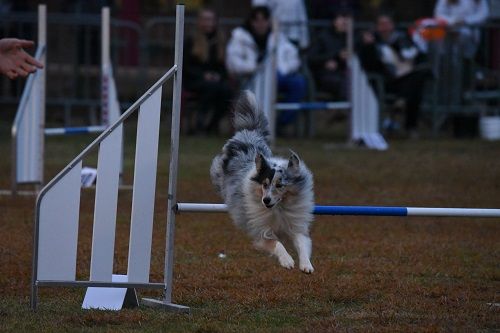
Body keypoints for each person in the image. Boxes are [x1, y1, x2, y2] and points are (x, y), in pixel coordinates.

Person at [226, 6, 307, 130]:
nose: (261, 24)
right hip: (249, 79)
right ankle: (258, 127)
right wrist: (253, 68)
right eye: (257, 20)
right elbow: (232, 63)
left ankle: (280, 124)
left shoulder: (278, 36)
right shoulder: (239, 37)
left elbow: (294, 58)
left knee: (298, 83)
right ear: (251, 21)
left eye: (264, 20)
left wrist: (283, 70)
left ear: (269, 21)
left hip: (277, 77)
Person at [358, 13, 430, 137]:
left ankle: (402, 102)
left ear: (393, 26)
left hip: (406, 78)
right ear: (376, 27)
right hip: (385, 80)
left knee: (420, 76)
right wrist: (368, 47)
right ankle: (409, 124)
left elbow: (420, 57)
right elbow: (368, 65)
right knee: (415, 92)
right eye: (381, 24)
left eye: (387, 24)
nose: (385, 27)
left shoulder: (403, 39)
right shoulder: (371, 43)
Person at [183, 8, 233, 135]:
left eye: (211, 20)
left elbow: (223, 67)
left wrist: (217, 76)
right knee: (212, 87)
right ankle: (200, 122)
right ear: (199, 21)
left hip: (215, 81)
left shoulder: (220, 40)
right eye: (205, 19)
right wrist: (204, 75)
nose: (208, 23)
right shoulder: (191, 40)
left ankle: (212, 124)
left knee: (226, 91)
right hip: (194, 80)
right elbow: (186, 66)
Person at [308, 11, 351, 100]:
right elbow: (311, 58)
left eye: (347, 19)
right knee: (345, 83)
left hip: (343, 73)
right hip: (324, 75)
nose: (345, 22)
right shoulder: (322, 37)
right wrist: (331, 58)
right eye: (342, 18)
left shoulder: (350, 38)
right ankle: (344, 111)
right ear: (334, 21)